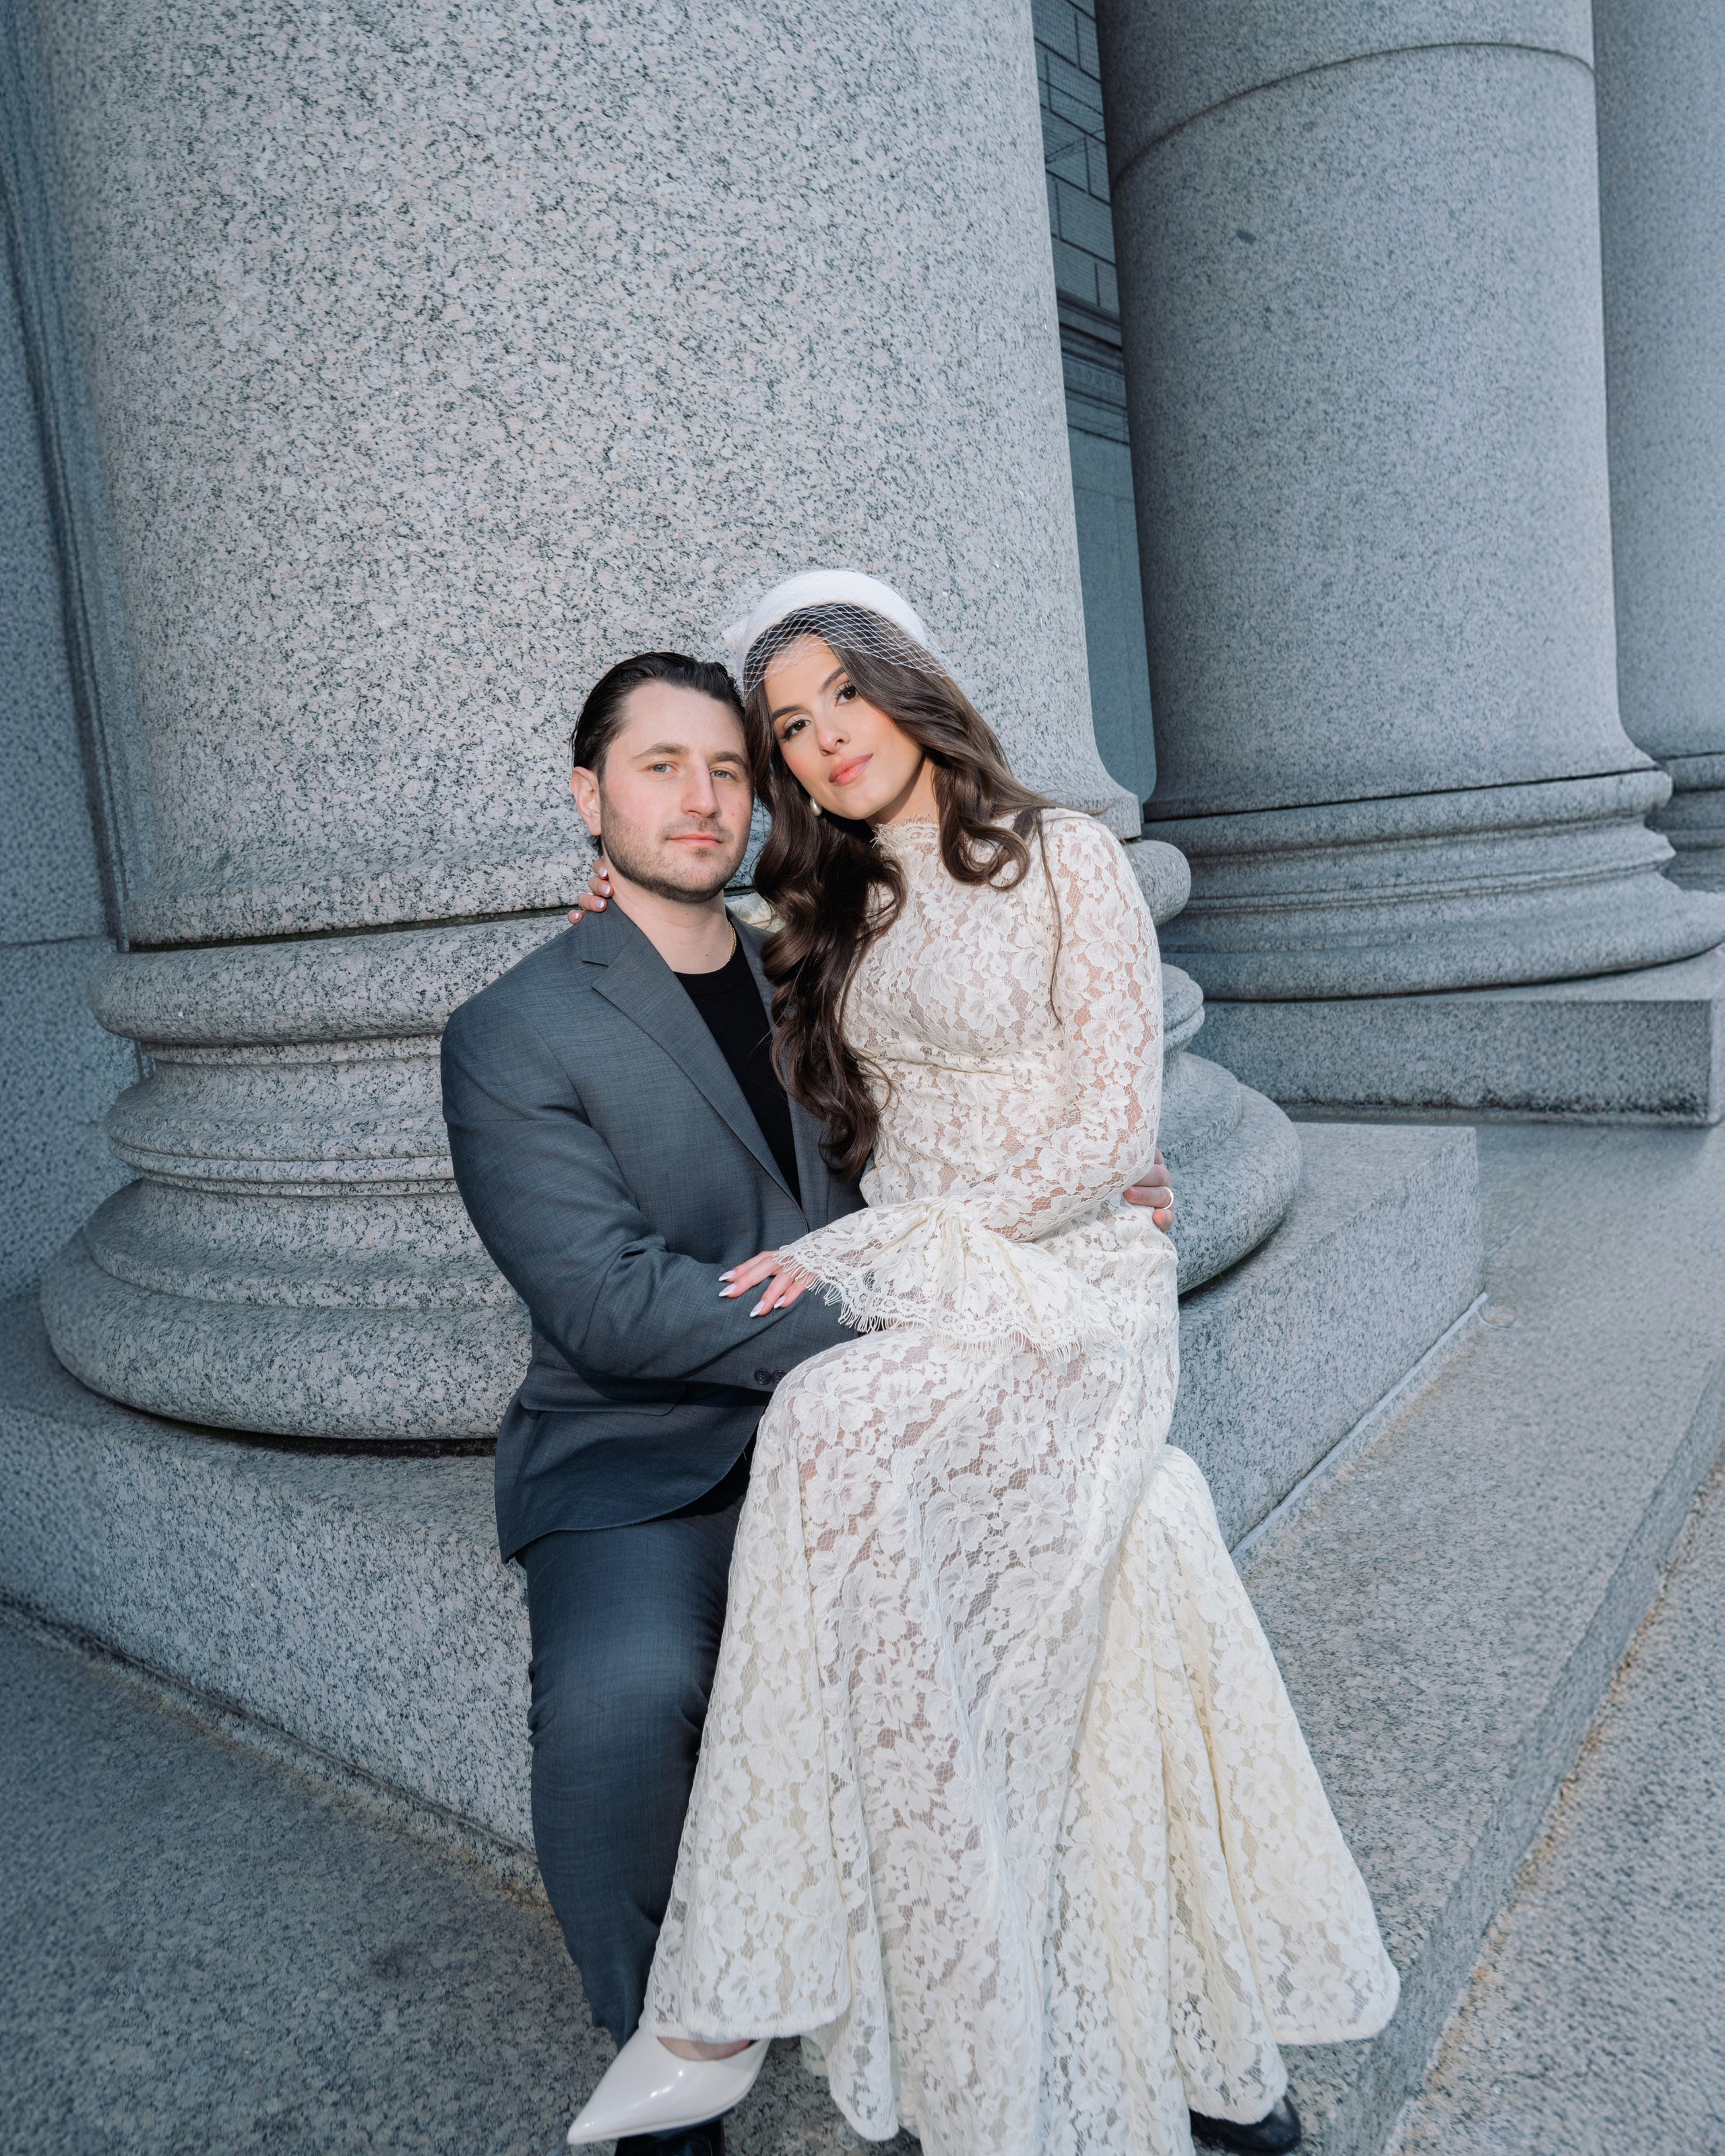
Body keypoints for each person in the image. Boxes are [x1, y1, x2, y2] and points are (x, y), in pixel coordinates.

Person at [565, 572, 1400, 2156]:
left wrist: (870, 1253)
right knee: (991, 1556)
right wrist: (641, 915)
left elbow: (1109, 1133)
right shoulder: (825, 907)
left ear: (907, 682)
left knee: (824, 1407)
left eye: (840, 701)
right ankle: (990, 2011)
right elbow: (724, 989)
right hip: (940, 1290)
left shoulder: (1061, 855)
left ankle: (718, 2002)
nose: (820, 746)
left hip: (1071, 1278)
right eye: (788, 729)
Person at [439, 641, 1174, 2156]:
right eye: (660, 768)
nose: (701, 798)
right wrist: (913, 1296)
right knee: (622, 1699)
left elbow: (981, 1109)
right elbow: (607, 1304)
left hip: (884, 1399)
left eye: (729, 767)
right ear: (588, 796)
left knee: (1116, 1559)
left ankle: (1083, 2013)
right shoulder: (514, 1031)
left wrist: (1089, 1189)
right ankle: (676, 2040)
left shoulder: (816, 949)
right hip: (654, 1447)